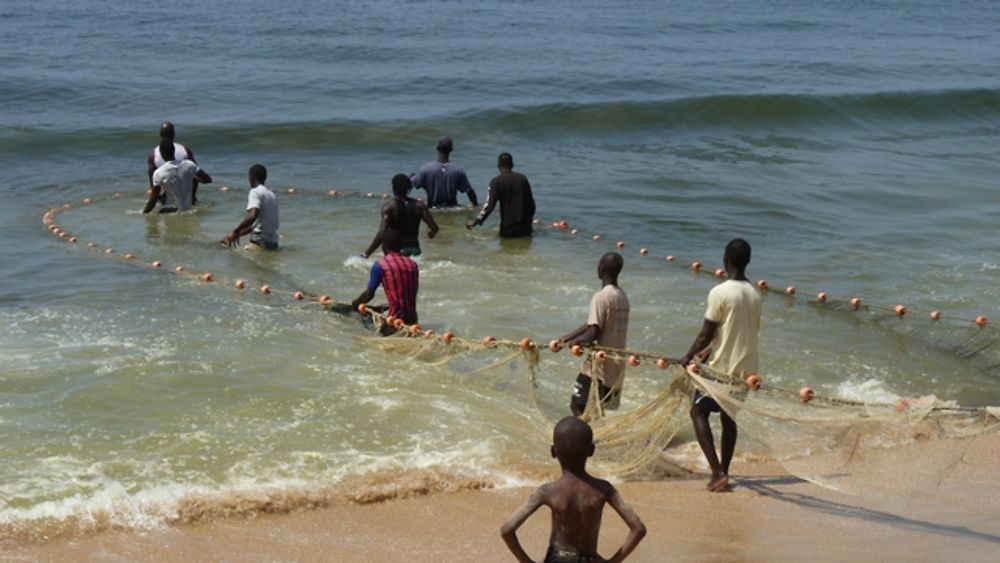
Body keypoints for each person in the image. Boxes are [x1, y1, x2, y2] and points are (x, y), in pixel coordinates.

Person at [501, 416, 646, 563]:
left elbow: (507, 530)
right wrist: (613, 561)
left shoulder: (547, 491)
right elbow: (638, 529)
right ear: (591, 450)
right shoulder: (603, 489)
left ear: (553, 451)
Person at [679, 238, 761, 492]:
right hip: (746, 369)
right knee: (729, 418)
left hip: (721, 369)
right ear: (747, 262)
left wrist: (689, 355)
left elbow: (707, 331)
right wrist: (709, 350)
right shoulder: (755, 293)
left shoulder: (720, 292)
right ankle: (724, 471)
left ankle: (717, 473)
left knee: (697, 412)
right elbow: (737, 332)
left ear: (725, 260)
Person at [557, 252, 630, 416]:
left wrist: (574, 343)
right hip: (616, 366)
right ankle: (597, 437)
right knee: (597, 408)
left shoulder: (601, 297)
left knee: (577, 406)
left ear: (601, 268)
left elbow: (593, 332)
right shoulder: (622, 296)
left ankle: (586, 440)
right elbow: (594, 323)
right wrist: (566, 338)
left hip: (599, 368)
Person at [351, 230, 419, 325]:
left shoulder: (380, 265)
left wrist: (354, 304)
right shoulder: (413, 264)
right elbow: (405, 298)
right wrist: (383, 307)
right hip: (413, 321)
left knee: (359, 319)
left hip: (394, 322)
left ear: (383, 246)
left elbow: (369, 294)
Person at [362, 174, 439, 258]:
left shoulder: (389, 207)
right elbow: (434, 228)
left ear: (393, 188)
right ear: (409, 188)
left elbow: (382, 233)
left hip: (396, 251)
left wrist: (366, 254)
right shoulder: (419, 205)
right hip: (414, 249)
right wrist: (431, 234)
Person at [466, 152, 536, 238]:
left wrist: (477, 220)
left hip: (508, 230)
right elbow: (531, 205)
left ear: (499, 166)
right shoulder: (523, 179)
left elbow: (489, 206)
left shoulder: (496, 182)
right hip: (525, 230)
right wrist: (528, 222)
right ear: (512, 165)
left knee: (505, 250)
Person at [143, 140, 212, 214]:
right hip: (188, 209)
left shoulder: (159, 173)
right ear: (174, 151)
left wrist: (143, 213)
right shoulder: (189, 165)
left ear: (161, 153)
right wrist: (192, 177)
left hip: (169, 212)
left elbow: (153, 200)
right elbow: (207, 179)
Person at [410, 136, 479, 208]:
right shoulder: (458, 170)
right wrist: (475, 206)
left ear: (437, 148)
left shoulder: (425, 169)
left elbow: (408, 185)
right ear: (451, 150)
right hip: (452, 209)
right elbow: (470, 192)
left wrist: (410, 177)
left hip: (433, 209)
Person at [222, 164, 279, 250]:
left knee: (227, 255)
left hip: (259, 242)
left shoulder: (255, 191)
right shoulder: (271, 195)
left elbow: (252, 216)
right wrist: (238, 233)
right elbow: (257, 226)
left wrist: (236, 231)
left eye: (249, 177)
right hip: (273, 244)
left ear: (252, 177)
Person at [147, 121, 199, 203]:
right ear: (174, 134)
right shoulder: (185, 150)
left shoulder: (153, 155)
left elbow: (153, 183)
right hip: (186, 195)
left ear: (160, 135)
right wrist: (192, 195)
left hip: (167, 197)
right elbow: (196, 174)